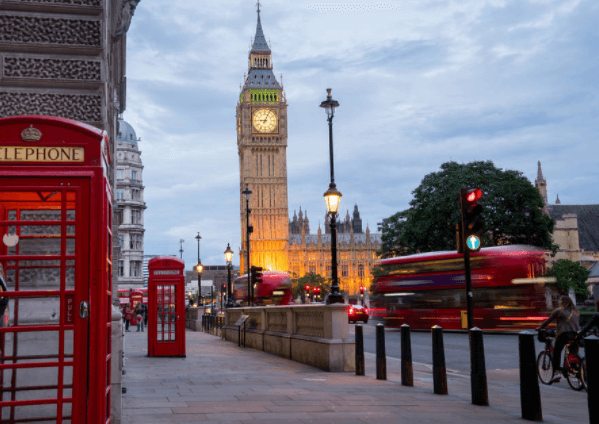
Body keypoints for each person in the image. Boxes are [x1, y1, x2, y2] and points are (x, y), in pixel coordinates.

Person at [538, 295, 580, 383]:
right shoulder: (576, 312)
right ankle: (576, 369)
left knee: (557, 352)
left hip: (564, 334)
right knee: (573, 352)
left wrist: (540, 327)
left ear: (563, 302)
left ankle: (557, 373)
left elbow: (549, 320)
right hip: (575, 335)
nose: (558, 302)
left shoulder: (558, 311)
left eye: (560, 301)